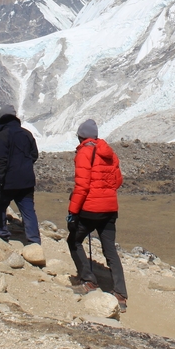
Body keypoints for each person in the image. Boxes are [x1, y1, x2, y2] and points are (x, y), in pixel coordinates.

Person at [67, 118, 128, 311]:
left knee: (74, 240)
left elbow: (82, 186)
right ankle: (120, 294)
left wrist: (72, 211)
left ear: (81, 136)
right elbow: (118, 181)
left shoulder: (84, 153)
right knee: (109, 249)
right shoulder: (110, 153)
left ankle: (88, 280)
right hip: (110, 209)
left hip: (90, 209)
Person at [0, 104, 41, 244]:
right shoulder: (27, 133)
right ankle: (34, 241)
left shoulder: (3, 134)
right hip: (26, 180)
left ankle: (2, 233)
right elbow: (34, 154)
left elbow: (0, 161)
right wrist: (24, 165)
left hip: (8, 181)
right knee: (28, 209)